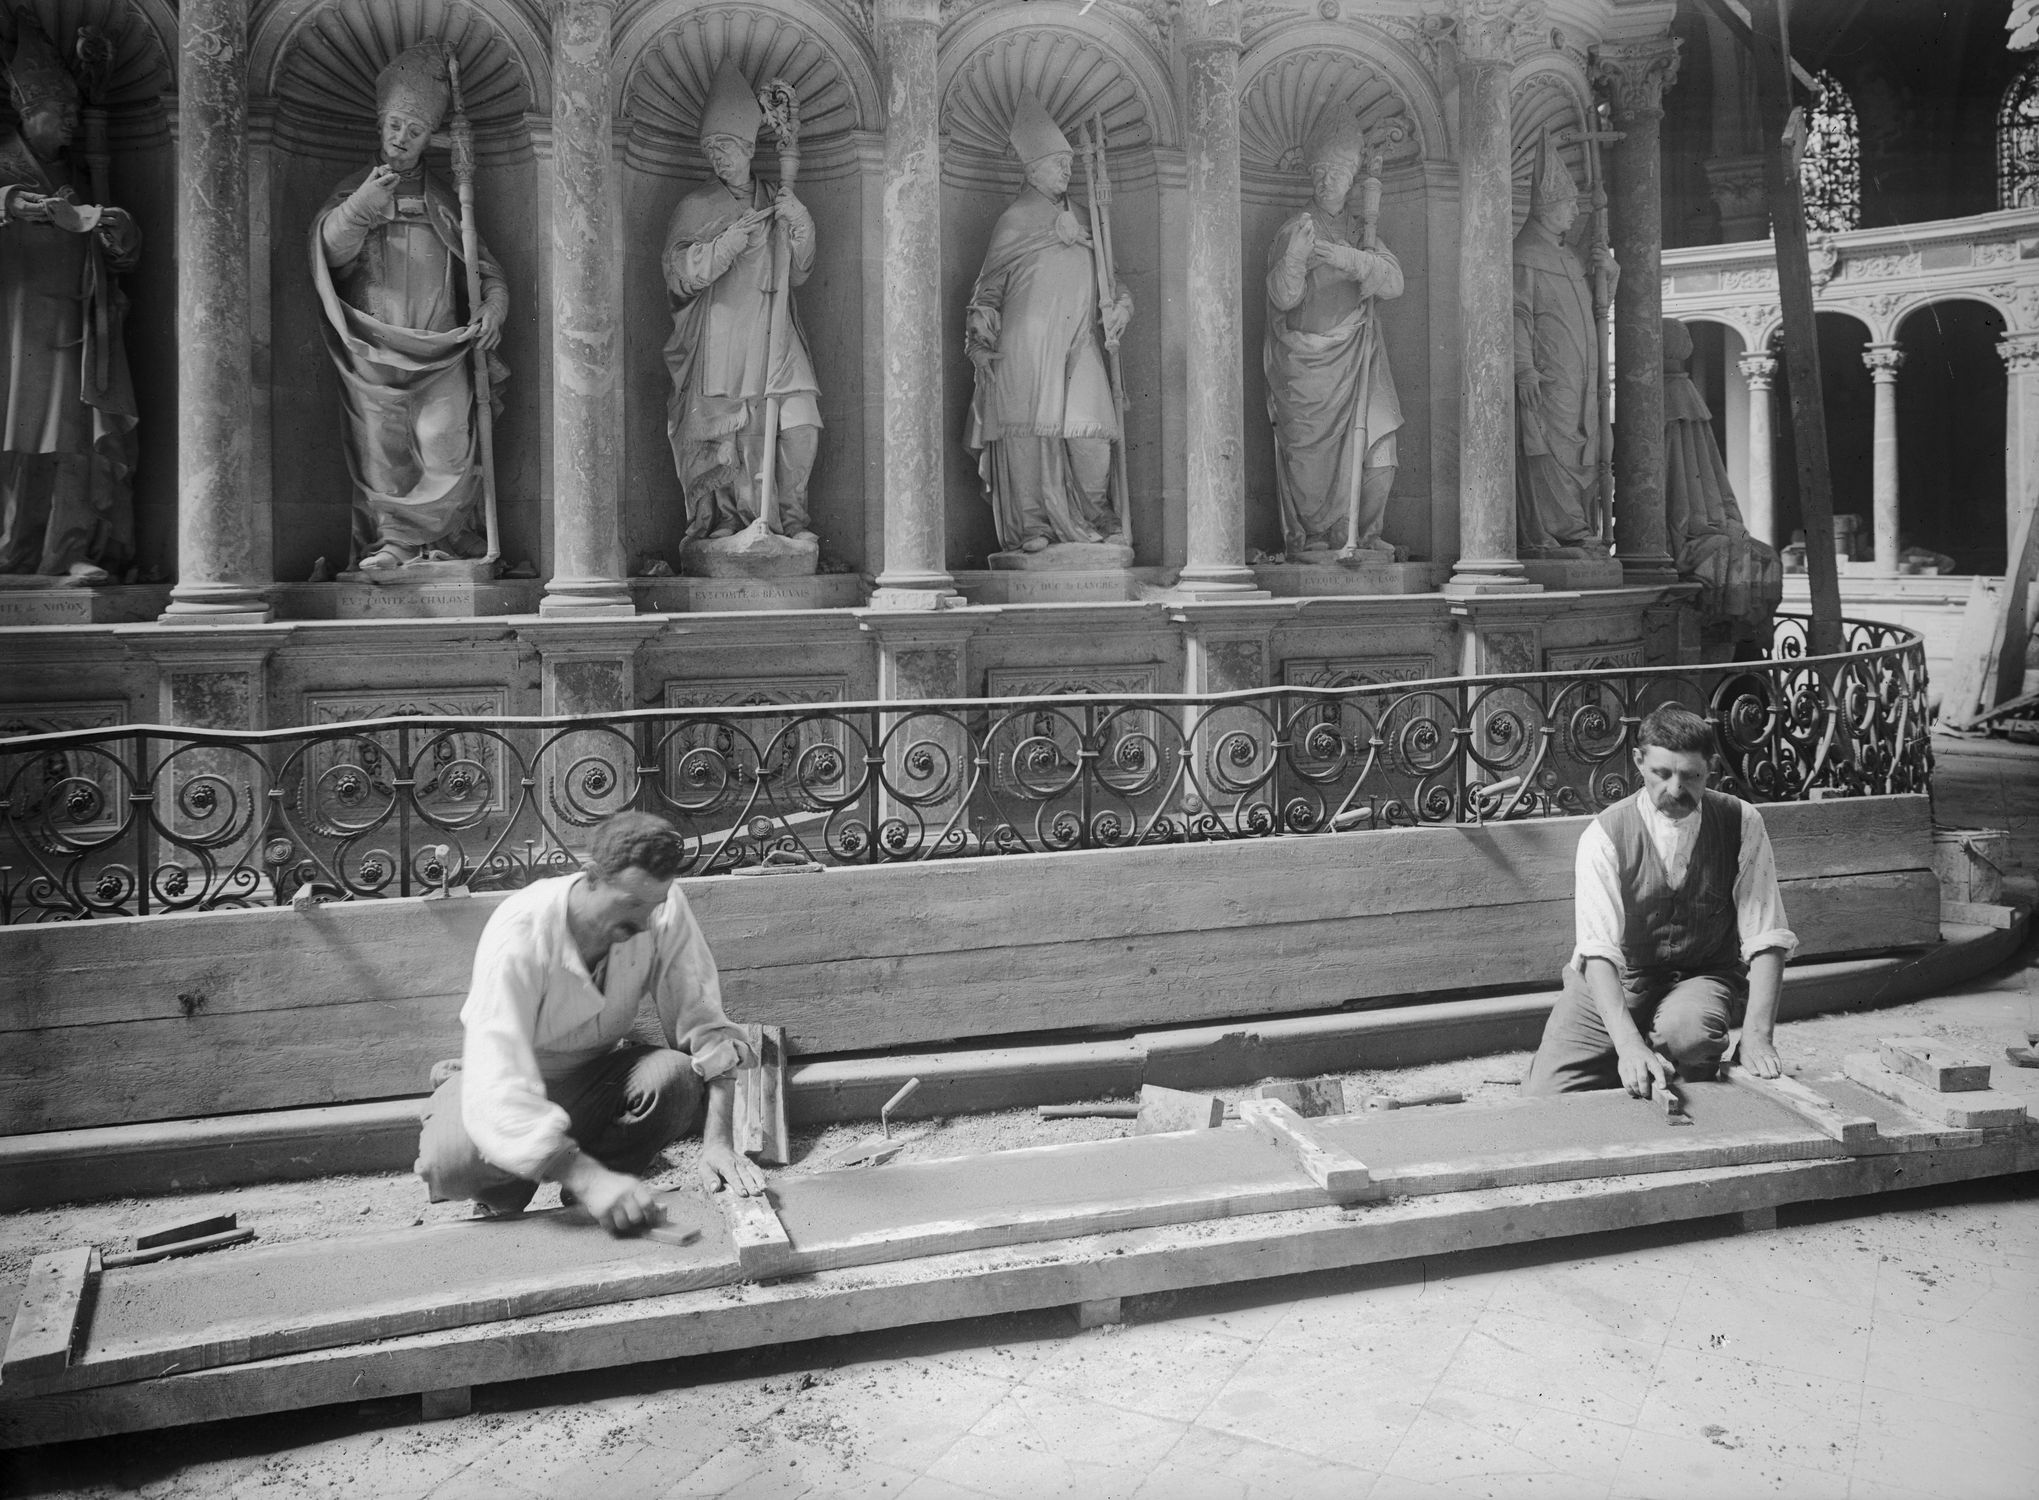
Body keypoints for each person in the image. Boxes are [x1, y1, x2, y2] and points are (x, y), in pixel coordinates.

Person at [415, 811, 766, 1235]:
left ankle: (595, 1195)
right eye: (630, 904)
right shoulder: (520, 931)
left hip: (592, 1080)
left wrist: (718, 1142)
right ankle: (510, 1192)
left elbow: (705, 1025)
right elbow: (497, 1080)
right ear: (592, 877)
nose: (643, 922)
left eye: (653, 906)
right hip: (506, 1077)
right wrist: (587, 1174)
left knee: (675, 1079)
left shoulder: (660, 906)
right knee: (450, 1161)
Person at [1523, 704, 1797, 1097]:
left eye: (1691, 776)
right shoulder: (1604, 834)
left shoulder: (1742, 821)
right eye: (1661, 774)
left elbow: (1766, 936)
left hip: (1701, 975)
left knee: (1691, 1037)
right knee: (1546, 1095)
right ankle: (1639, 1052)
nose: (1675, 789)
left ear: (1712, 767)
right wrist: (1629, 1046)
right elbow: (1597, 953)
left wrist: (1757, 1037)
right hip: (1623, 978)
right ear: (1639, 761)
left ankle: (1682, 1060)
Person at [312, 42, 507, 573]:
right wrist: (358, 211)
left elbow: (484, 268)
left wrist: (494, 306)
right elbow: (327, 252)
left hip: (441, 345)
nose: (401, 138)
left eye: (414, 130)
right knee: (385, 448)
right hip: (374, 346)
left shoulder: (446, 200)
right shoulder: (355, 190)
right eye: (395, 125)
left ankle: (449, 533)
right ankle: (394, 541)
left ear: (430, 138)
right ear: (380, 124)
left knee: (444, 440)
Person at [0, 13, 139, 582]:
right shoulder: (8, 165)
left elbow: (121, 258)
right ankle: (14, 552)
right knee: (18, 442)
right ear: (30, 113)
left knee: (75, 442)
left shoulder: (84, 173)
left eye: (77, 115)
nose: (71, 125)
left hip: (77, 326)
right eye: (63, 114)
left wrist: (117, 232)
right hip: (15, 330)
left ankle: (68, 549)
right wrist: (19, 204)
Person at [965, 91, 1132, 554]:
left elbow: (1111, 280)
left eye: (1068, 161)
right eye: (1057, 161)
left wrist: (1121, 307)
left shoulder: (1085, 215)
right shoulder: (1014, 221)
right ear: (1031, 168)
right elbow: (987, 290)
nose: (1067, 168)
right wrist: (979, 339)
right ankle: (1033, 526)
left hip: (1079, 339)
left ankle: (1096, 512)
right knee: (1026, 435)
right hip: (1026, 345)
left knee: (1092, 429)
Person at [662, 62, 822, 544]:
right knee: (736, 435)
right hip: (724, 334)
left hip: (776, 327)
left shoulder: (776, 197)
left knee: (801, 422)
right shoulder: (696, 206)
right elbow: (677, 273)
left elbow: (799, 272)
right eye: (711, 150)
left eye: (725, 148)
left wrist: (801, 227)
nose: (718, 159)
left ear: (750, 148)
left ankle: (790, 520)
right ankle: (742, 522)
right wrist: (725, 245)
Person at [1264, 116, 1404, 561]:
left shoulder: (1363, 233)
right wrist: (1295, 259)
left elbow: (1394, 282)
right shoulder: (1296, 229)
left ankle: (1365, 532)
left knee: (1382, 452)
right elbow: (1283, 298)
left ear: (1352, 180)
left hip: (1361, 357)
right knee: (1313, 467)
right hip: (1310, 370)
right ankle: (1319, 537)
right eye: (1321, 174)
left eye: (1339, 175)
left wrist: (1352, 260)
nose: (1328, 183)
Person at [1513, 131, 1613, 560]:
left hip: (1581, 379)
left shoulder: (1570, 256)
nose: (1575, 212)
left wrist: (1608, 274)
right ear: (1548, 206)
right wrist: (1522, 367)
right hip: (1548, 377)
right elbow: (1515, 313)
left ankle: (1577, 528)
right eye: (1570, 205)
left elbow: (1596, 309)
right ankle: (1558, 531)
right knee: (1548, 449)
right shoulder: (1524, 252)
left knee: (1581, 445)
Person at [1662, 318, 1782, 653]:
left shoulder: (1680, 392)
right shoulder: (1678, 392)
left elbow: (1702, 473)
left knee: (1757, 554)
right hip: (1675, 529)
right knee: (1743, 554)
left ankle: (1739, 640)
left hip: (1690, 523)